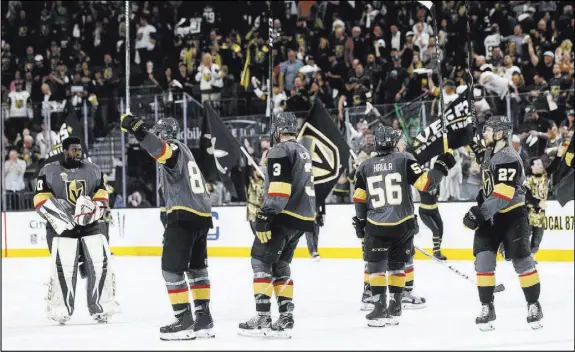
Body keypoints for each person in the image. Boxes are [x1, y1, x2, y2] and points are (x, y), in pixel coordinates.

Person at [120, 115, 214, 340]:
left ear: (163, 134)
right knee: (196, 269)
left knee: (171, 269)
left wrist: (139, 130)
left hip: (183, 215)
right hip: (201, 216)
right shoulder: (187, 152)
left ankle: (183, 320)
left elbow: (162, 150)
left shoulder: (172, 147)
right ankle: (204, 318)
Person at [352, 126, 455, 327]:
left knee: (376, 267)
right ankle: (396, 305)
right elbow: (427, 185)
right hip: (404, 224)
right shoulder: (405, 159)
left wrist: (361, 222)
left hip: (376, 224)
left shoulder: (364, 166)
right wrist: (441, 166)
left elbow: (359, 198)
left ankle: (380, 308)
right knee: (398, 265)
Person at [238, 112, 315, 339]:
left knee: (260, 260)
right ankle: (286, 316)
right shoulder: (303, 151)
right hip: (301, 218)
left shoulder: (280, 150)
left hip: (282, 215)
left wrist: (265, 216)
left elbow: (279, 188)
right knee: (280, 265)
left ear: (278, 131)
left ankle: (263, 317)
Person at [463, 116, 543, 331]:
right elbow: (480, 153)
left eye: (488, 130)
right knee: (483, 262)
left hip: (511, 216)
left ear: (500, 134)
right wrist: (466, 129)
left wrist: (480, 213)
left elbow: (503, 195)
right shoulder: (491, 152)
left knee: (522, 262)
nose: (484, 134)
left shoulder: (508, 157)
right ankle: (487, 307)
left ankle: (534, 305)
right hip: (491, 217)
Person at [34, 136, 120, 325]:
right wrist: (59, 214)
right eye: (74, 150)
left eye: (79, 150)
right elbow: (39, 198)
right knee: (63, 267)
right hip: (62, 228)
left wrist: (94, 209)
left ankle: (101, 305)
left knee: (99, 263)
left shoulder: (93, 169)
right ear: (64, 150)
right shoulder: (48, 171)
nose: (78, 153)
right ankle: (61, 307)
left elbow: (102, 193)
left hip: (90, 225)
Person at [525, 157, 549, 258]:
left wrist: (559, 156)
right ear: (532, 167)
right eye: (538, 164)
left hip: (540, 213)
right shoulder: (526, 179)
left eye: (541, 164)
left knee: (538, 236)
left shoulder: (544, 175)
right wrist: (538, 202)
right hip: (528, 211)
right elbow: (526, 195)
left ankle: (531, 256)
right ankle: (525, 257)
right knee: (526, 235)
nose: (541, 166)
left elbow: (554, 167)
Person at [417, 178, 446, 260]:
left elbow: (438, 193)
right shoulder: (420, 185)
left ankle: (437, 250)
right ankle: (437, 252)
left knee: (441, 228)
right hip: (424, 212)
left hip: (435, 210)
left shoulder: (436, 182)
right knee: (435, 230)